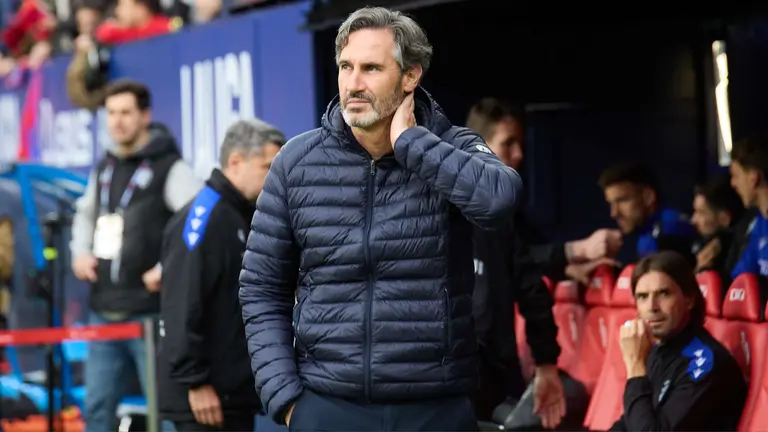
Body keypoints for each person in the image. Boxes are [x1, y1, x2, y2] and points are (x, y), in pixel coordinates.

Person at [239, 7, 523, 431]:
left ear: (410, 77)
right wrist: (285, 397)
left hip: (434, 406)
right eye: (346, 67)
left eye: (371, 68)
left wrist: (413, 143)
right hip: (327, 405)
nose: (353, 83)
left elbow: (499, 201)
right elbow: (260, 286)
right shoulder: (296, 162)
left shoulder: (448, 145)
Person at [70, 79, 202, 432]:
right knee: (96, 409)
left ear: (145, 115)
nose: (118, 121)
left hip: (150, 316)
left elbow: (200, 222)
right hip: (104, 311)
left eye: (126, 112)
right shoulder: (105, 165)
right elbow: (85, 213)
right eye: (111, 113)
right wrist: (80, 253)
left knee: (165, 412)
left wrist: (166, 267)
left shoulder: (169, 167)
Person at [157, 119, 285, 431]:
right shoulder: (204, 217)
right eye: (267, 166)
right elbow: (181, 305)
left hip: (230, 394)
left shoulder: (237, 213)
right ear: (235, 162)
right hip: (205, 400)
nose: (274, 178)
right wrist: (195, 382)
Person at [610, 251, 747, 431]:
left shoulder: (705, 364)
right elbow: (630, 422)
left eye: (664, 294)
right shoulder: (660, 349)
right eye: (643, 297)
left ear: (689, 299)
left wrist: (635, 366)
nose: (652, 307)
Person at [598, 162, 696, 265]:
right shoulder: (646, 232)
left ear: (648, 197)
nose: (614, 213)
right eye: (611, 203)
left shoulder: (670, 228)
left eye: (623, 200)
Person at [689, 175, 745, 281]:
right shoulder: (699, 247)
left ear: (724, 218)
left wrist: (702, 270)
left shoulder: (732, 255)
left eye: (701, 213)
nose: (693, 220)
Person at [729, 134, 768, 279]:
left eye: (736, 175)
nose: (733, 183)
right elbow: (741, 280)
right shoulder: (759, 222)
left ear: (754, 178)